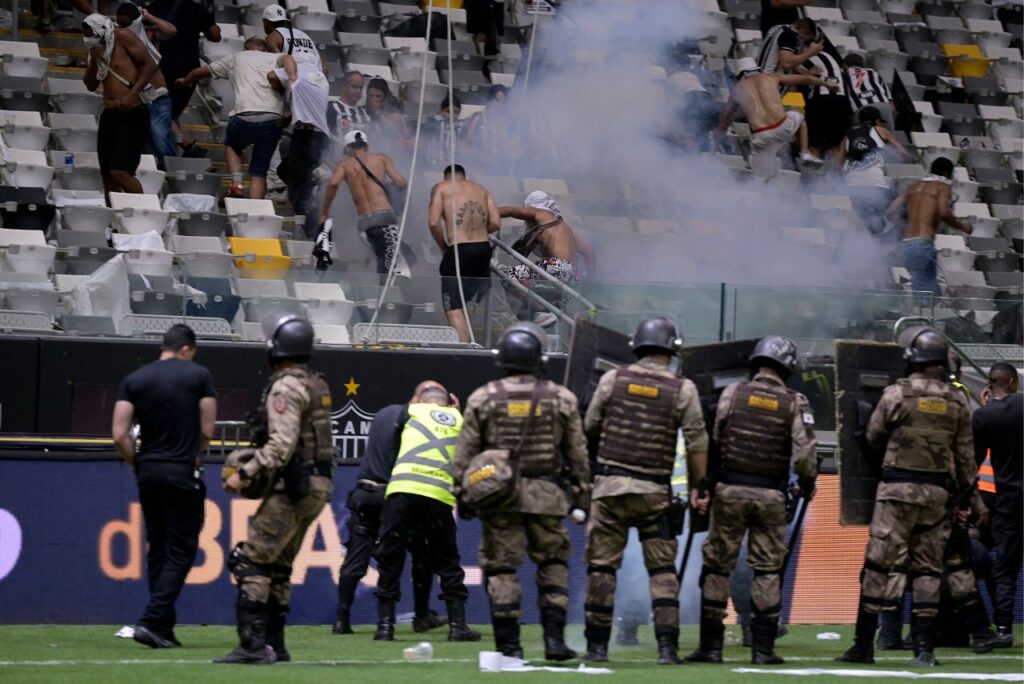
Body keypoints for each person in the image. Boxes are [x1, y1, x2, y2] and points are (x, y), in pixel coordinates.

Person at [837, 326, 978, 667]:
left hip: (896, 492)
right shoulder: (957, 400)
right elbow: (965, 459)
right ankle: (924, 649)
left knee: (878, 565)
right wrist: (964, 500)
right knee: (928, 571)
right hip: (936, 495)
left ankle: (862, 646)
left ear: (913, 359)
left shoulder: (897, 394)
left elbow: (872, 436)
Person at [453, 323, 591, 661]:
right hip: (547, 495)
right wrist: (582, 496)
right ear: (538, 358)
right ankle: (554, 641)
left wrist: (463, 495)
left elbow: (464, 456)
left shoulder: (483, 397)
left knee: (502, 569)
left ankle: (508, 647)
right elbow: (578, 455)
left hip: (500, 498)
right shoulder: (562, 398)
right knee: (554, 562)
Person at [582, 317, 709, 665]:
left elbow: (590, 426)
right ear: (672, 349)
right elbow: (697, 439)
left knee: (602, 569)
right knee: (662, 572)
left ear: (636, 345)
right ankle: (667, 649)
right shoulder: (683, 389)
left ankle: (596, 648)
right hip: (654, 494)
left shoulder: (611, 379)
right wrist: (700, 485)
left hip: (609, 490)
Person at [684, 336, 817, 665]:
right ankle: (762, 649)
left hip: (730, 490)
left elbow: (713, 439)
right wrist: (807, 482)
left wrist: (707, 484)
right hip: (770, 495)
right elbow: (805, 455)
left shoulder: (732, 393)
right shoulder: (794, 401)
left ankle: (711, 647)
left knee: (717, 567)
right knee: (767, 571)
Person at [216, 315, 335, 664]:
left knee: (251, 560)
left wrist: (245, 472)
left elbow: (281, 446)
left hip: (292, 487)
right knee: (280, 565)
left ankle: (252, 646)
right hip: (317, 486)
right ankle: (276, 645)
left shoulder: (284, 388)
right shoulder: (316, 384)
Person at [111, 324, 217, 649]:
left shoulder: (135, 379)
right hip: (182, 470)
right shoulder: (198, 376)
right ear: (186, 349)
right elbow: (208, 429)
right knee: (181, 550)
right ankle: (153, 620)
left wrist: (139, 464)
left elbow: (118, 433)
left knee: (157, 547)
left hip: (149, 472)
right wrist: (193, 454)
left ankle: (163, 628)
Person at [332, 381, 455, 636]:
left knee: (356, 558)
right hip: (398, 497)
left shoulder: (384, 413)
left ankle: (341, 619)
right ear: (421, 401)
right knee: (421, 556)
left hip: (365, 493)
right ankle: (421, 616)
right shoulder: (413, 420)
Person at [372, 382, 481, 643]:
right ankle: (458, 627)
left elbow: (394, 446)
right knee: (447, 562)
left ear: (418, 400)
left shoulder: (410, 411)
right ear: (450, 401)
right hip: (438, 496)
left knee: (391, 559)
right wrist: (457, 410)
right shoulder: (460, 419)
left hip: (401, 491)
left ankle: (385, 627)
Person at [175, 37, 284, 199]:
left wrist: (185, 81)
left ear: (246, 48)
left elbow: (198, 72)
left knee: (232, 145)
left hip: (244, 116)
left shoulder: (236, 58)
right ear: (265, 50)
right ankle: (255, 214)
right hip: (272, 118)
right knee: (259, 174)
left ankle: (237, 184)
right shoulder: (276, 58)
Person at [715, 57, 837, 182]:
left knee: (761, 179)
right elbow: (805, 79)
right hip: (783, 126)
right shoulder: (771, 77)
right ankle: (805, 153)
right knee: (799, 116)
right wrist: (826, 84)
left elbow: (725, 120)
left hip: (761, 137)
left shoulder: (736, 91)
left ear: (740, 74)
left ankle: (762, 194)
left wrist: (715, 143)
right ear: (757, 70)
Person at [319, 129, 413, 281]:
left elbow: (333, 184)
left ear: (347, 148)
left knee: (393, 256)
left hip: (364, 223)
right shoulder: (381, 159)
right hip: (384, 218)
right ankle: (386, 297)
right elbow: (401, 183)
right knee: (391, 260)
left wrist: (324, 212)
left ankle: (387, 292)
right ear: (366, 146)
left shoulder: (344, 164)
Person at [972, 362, 1022, 645]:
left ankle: (1003, 629)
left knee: (1006, 570)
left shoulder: (983, 416)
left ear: (989, 386)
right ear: (1013, 382)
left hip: (1008, 503)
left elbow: (975, 461)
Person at [82, 13, 159, 197]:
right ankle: (115, 224)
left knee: (121, 171)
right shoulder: (94, 48)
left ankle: (142, 212)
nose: (88, 37)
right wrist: (93, 61)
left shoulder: (122, 37)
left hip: (133, 112)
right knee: (107, 174)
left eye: (90, 33)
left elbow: (150, 65)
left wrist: (132, 95)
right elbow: (91, 85)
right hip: (110, 114)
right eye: (85, 34)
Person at [498, 191, 596, 327]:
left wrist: (485, 213)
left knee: (508, 277)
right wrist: (589, 285)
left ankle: (542, 310)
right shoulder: (564, 227)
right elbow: (589, 252)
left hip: (555, 270)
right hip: (571, 278)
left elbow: (510, 210)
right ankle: (543, 315)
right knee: (525, 314)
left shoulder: (541, 213)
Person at [428, 164, 501, 343]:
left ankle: (465, 352)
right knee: (461, 303)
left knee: (453, 307)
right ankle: (463, 341)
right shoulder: (481, 189)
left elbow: (433, 222)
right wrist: (476, 230)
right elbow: (496, 223)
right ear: (463, 175)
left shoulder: (442, 187)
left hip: (460, 250)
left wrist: (443, 246)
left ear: (446, 177)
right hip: (483, 250)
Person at [145, 0, 221, 156]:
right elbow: (215, 37)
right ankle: (185, 147)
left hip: (162, 68)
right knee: (173, 114)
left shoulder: (154, 7)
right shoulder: (199, 9)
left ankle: (185, 148)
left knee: (163, 114)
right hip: (189, 70)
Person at [888, 157, 973, 297]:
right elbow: (943, 212)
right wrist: (962, 226)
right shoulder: (942, 187)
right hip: (922, 244)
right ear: (946, 174)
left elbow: (892, 210)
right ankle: (919, 317)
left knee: (934, 293)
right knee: (925, 296)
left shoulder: (914, 187)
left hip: (905, 246)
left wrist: (903, 225)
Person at [268, 54, 330, 239]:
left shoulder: (299, 73)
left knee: (298, 194)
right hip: (319, 136)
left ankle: (312, 235)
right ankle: (315, 178)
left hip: (305, 136)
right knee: (284, 170)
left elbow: (272, 75)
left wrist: (291, 75)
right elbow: (308, 109)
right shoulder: (321, 79)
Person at [115, 2, 177, 167]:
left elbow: (171, 31)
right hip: (133, 98)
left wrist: (147, 16)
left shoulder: (149, 34)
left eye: (127, 22)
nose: (124, 25)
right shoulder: (117, 36)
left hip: (156, 96)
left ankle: (170, 172)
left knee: (160, 137)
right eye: (121, 22)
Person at [836, 106, 910, 235]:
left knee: (873, 225)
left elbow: (838, 165)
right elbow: (903, 154)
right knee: (902, 212)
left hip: (853, 187)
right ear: (877, 121)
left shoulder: (848, 134)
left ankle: (876, 247)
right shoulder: (881, 130)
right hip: (876, 185)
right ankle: (898, 241)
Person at [798, 48, 850, 168]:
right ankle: (835, 180)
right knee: (836, 145)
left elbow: (801, 76)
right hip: (841, 99)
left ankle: (814, 179)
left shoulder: (802, 57)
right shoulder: (831, 58)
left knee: (814, 144)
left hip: (820, 99)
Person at [844, 54, 895, 132]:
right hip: (884, 106)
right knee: (887, 138)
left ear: (845, 66)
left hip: (862, 108)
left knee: (864, 140)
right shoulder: (874, 73)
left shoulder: (843, 76)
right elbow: (892, 105)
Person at [757, 18, 823, 75]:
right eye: (808, 41)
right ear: (804, 33)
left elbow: (793, 55)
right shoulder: (790, 35)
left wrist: (810, 67)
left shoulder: (778, 27)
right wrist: (811, 52)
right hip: (768, 79)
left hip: (758, 74)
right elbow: (787, 63)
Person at [365, 78, 411, 156]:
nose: (374, 100)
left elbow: (392, 129)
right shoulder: (364, 111)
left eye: (378, 96)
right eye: (371, 96)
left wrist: (377, 112)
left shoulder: (395, 109)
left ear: (385, 97)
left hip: (394, 153)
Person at [423, 96, 464, 167]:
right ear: (441, 111)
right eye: (448, 112)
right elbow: (426, 143)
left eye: (456, 112)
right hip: (434, 165)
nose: (452, 115)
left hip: (453, 166)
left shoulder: (458, 128)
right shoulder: (435, 123)